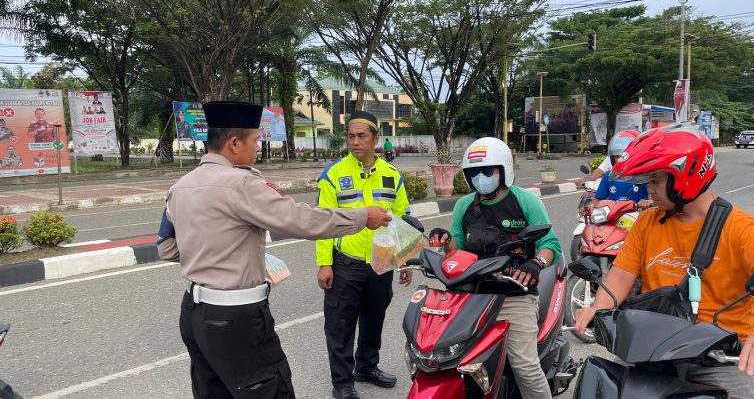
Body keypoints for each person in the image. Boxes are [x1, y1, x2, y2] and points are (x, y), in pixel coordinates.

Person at [156, 101, 393, 399]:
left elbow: (166, 248)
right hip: (236, 318)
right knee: (270, 390)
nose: (258, 147)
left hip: (194, 315)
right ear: (233, 142)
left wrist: (218, 249)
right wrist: (362, 217)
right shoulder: (241, 183)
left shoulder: (181, 186)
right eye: (255, 140)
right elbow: (300, 219)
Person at [575, 123, 754, 398]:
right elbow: (621, 275)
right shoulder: (647, 222)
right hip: (655, 349)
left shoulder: (740, 227)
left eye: (655, 180)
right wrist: (597, 308)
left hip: (723, 357)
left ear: (686, 176)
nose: (648, 190)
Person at [429, 137, 562, 399]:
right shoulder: (464, 206)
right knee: (449, 357)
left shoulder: (524, 201)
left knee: (525, 366)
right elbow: (457, 249)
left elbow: (551, 245)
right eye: (474, 173)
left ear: (503, 170)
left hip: (513, 294)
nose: (481, 177)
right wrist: (444, 240)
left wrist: (536, 263)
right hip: (472, 294)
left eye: (487, 171)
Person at [316, 111, 412, 399]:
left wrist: (404, 260)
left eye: (362, 136)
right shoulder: (334, 175)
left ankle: (367, 367)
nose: (355, 142)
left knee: (374, 319)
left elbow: (402, 218)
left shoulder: (391, 175)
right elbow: (323, 222)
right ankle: (343, 382)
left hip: (381, 263)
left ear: (375, 139)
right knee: (340, 325)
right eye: (351, 136)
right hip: (346, 264)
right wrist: (324, 264)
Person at [590, 130, 650, 208]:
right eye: (617, 156)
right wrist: (594, 205)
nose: (620, 160)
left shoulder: (643, 176)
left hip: (639, 217)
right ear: (612, 158)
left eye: (624, 156)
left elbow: (655, 199)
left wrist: (647, 202)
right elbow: (597, 199)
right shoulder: (609, 176)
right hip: (615, 217)